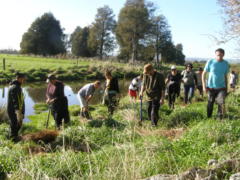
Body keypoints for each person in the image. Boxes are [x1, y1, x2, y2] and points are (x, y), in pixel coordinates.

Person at [202, 48, 229, 120]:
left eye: (221, 55)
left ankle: (219, 118)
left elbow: (225, 76)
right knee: (210, 103)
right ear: (215, 55)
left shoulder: (225, 63)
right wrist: (204, 86)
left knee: (221, 102)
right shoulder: (210, 62)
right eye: (217, 55)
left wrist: (226, 88)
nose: (219, 57)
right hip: (211, 87)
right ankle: (209, 117)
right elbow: (203, 74)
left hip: (221, 88)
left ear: (223, 55)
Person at [7, 73, 26, 142]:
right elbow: (16, 101)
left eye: (24, 79)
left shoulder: (15, 86)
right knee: (15, 124)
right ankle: (13, 139)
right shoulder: (15, 87)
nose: (23, 81)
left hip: (14, 110)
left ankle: (13, 137)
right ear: (18, 78)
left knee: (15, 124)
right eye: (22, 79)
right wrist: (18, 112)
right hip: (14, 111)